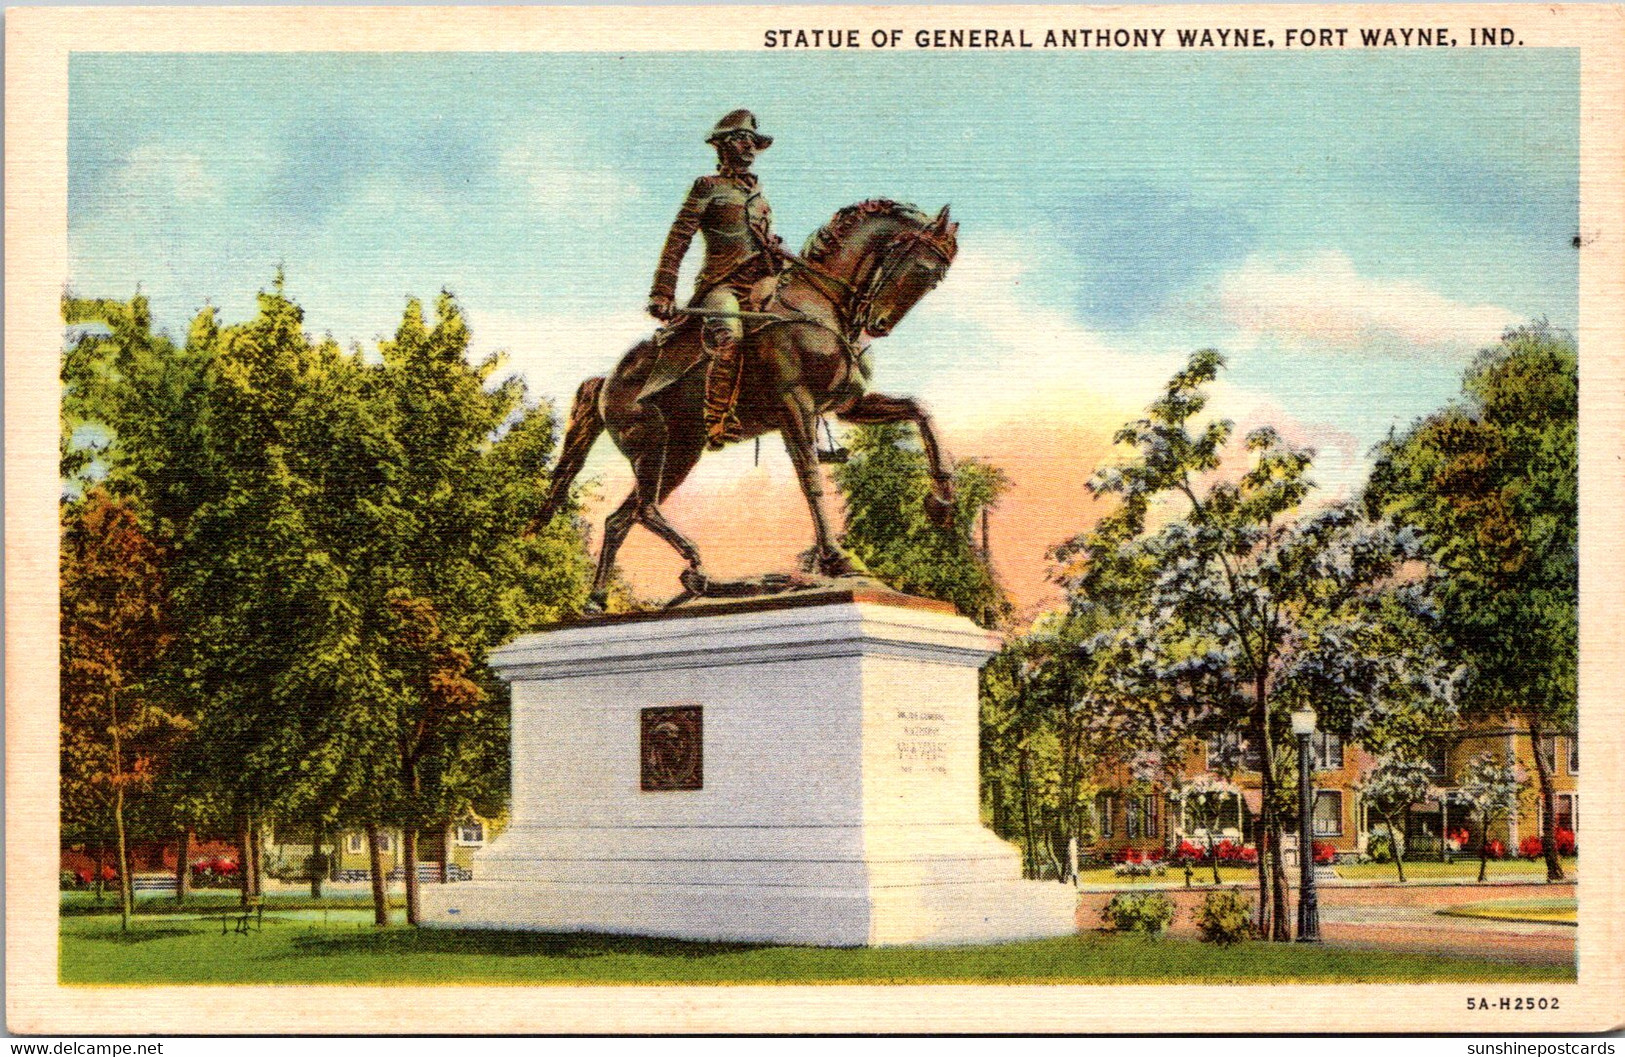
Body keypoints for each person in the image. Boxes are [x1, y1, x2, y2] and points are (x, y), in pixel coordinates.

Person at [648, 109, 786, 449]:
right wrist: (663, 291)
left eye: (754, 141)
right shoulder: (707, 187)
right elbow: (678, 238)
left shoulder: (761, 198)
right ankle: (717, 420)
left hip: (761, 282)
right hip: (722, 284)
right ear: (723, 146)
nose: (750, 147)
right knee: (731, 336)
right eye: (742, 140)